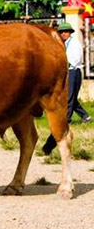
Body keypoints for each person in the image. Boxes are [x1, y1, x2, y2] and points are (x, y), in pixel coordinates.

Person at [42, 23, 92, 154]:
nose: (64, 34)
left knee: (68, 103)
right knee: (70, 99)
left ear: (70, 32)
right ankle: (85, 117)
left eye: (66, 32)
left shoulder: (74, 44)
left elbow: (74, 61)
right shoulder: (60, 44)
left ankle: (52, 140)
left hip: (72, 72)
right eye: (62, 32)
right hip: (64, 72)